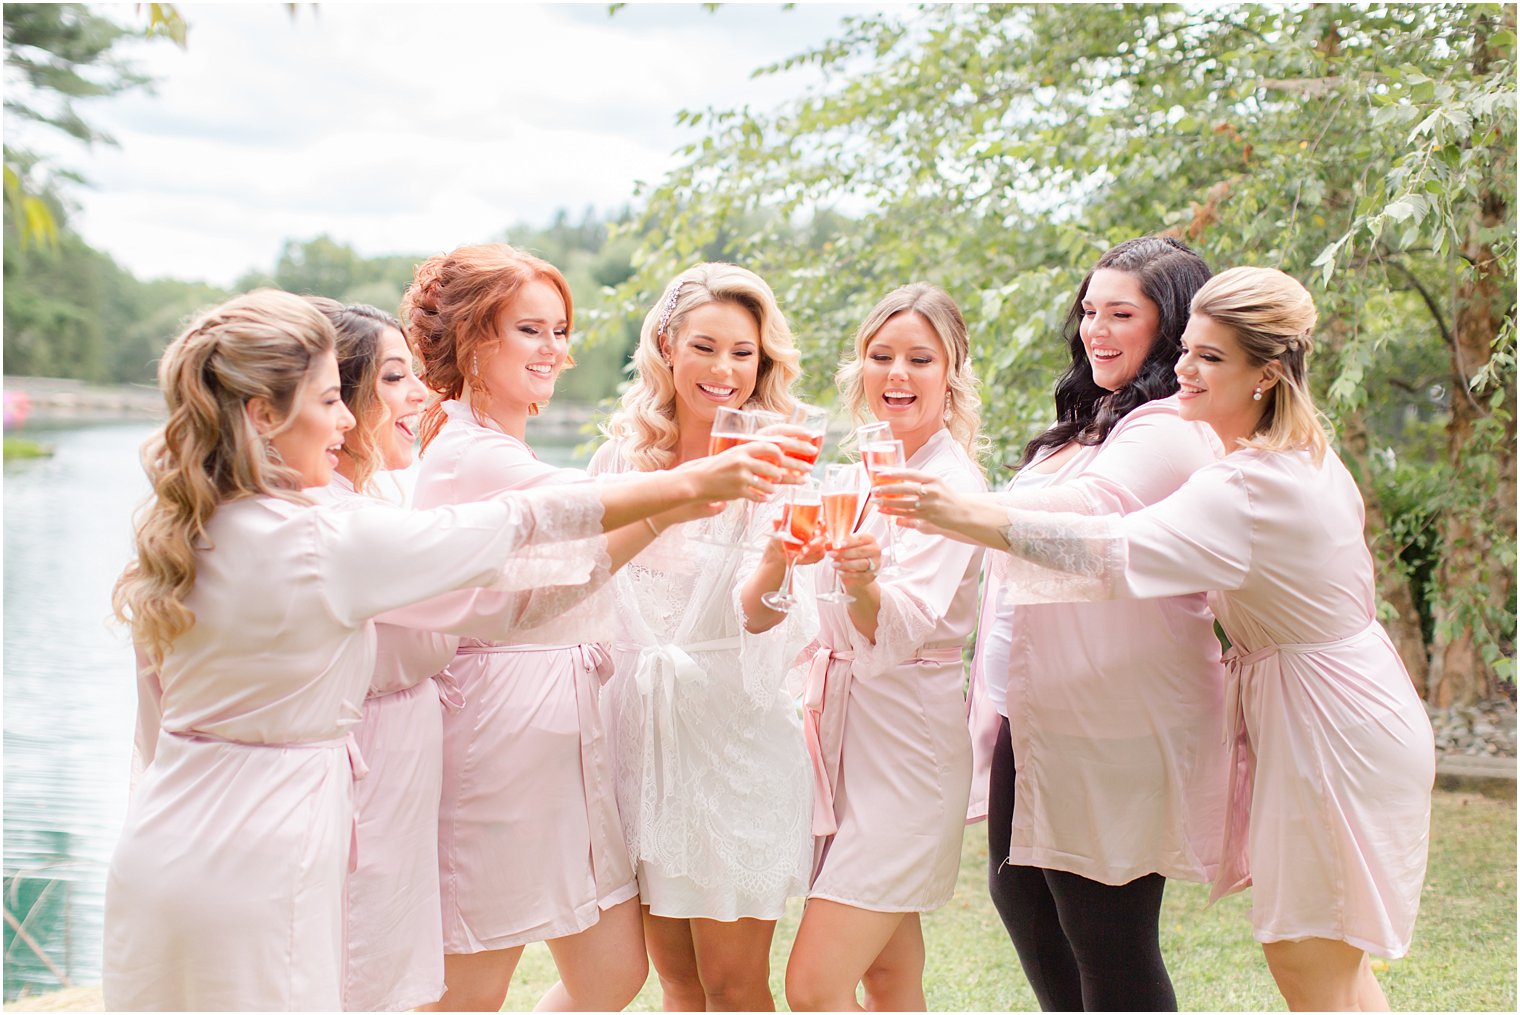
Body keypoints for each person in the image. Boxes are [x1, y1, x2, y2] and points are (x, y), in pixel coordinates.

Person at [104, 290, 789, 1012]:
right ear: (261, 415)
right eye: (331, 399)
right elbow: (513, 519)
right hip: (264, 848)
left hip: (161, 840)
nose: (344, 418)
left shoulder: (185, 533)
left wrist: (673, 499)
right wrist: (687, 483)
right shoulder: (323, 538)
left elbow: (152, 731)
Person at [880, 267, 1436, 1012]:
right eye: (1188, 351)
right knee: (1326, 959)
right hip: (1336, 702)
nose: (1183, 369)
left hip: (1327, 722)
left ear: (1266, 375)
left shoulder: (1245, 487)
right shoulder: (1290, 457)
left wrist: (958, 511)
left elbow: (1109, 547)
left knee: (1313, 959)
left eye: (1209, 357)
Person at [404, 243, 782, 1012]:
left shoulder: (506, 445)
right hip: (497, 736)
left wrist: (683, 497)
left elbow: (584, 564)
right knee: (471, 986)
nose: (554, 350)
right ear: (477, 339)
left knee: (612, 975)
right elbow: (574, 519)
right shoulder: (470, 456)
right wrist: (690, 485)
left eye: (559, 330)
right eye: (529, 331)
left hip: (575, 739)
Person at [895, 238, 1230, 1010]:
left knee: (1109, 939)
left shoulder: (1168, 424)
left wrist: (957, 508)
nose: (1096, 330)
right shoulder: (1093, 420)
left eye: (1122, 313)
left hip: (1113, 714)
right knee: (1027, 906)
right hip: (1039, 707)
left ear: (1171, 327)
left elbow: (1094, 512)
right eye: (1089, 310)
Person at [588, 262, 817, 1012]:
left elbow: (762, 614)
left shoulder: (781, 466)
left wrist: (783, 551)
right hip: (643, 742)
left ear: (763, 360)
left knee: (735, 983)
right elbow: (587, 586)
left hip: (734, 741)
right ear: (665, 344)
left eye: (743, 352)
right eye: (705, 346)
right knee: (679, 982)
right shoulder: (621, 459)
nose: (724, 370)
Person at [775, 283, 988, 1012]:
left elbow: (901, 625)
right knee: (891, 978)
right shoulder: (858, 470)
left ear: (951, 370)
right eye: (881, 355)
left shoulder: (948, 482)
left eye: (919, 359)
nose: (897, 374)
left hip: (906, 749)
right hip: (846, 736)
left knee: (813, 984)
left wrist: (861, 583)